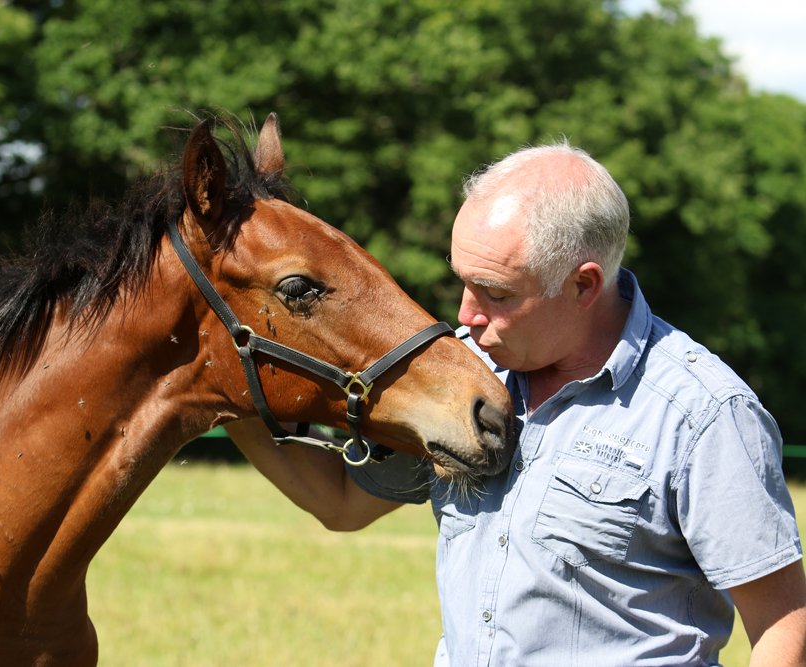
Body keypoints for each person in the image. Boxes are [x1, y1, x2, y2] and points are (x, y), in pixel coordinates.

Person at [225, 140, 806, 666]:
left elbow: (785, 625)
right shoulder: (459, 378)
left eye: (496, 294)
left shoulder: (703, 415)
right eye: (464, 280)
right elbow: (342, 501)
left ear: (583, 286)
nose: (465, 313)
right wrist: (224, 393)